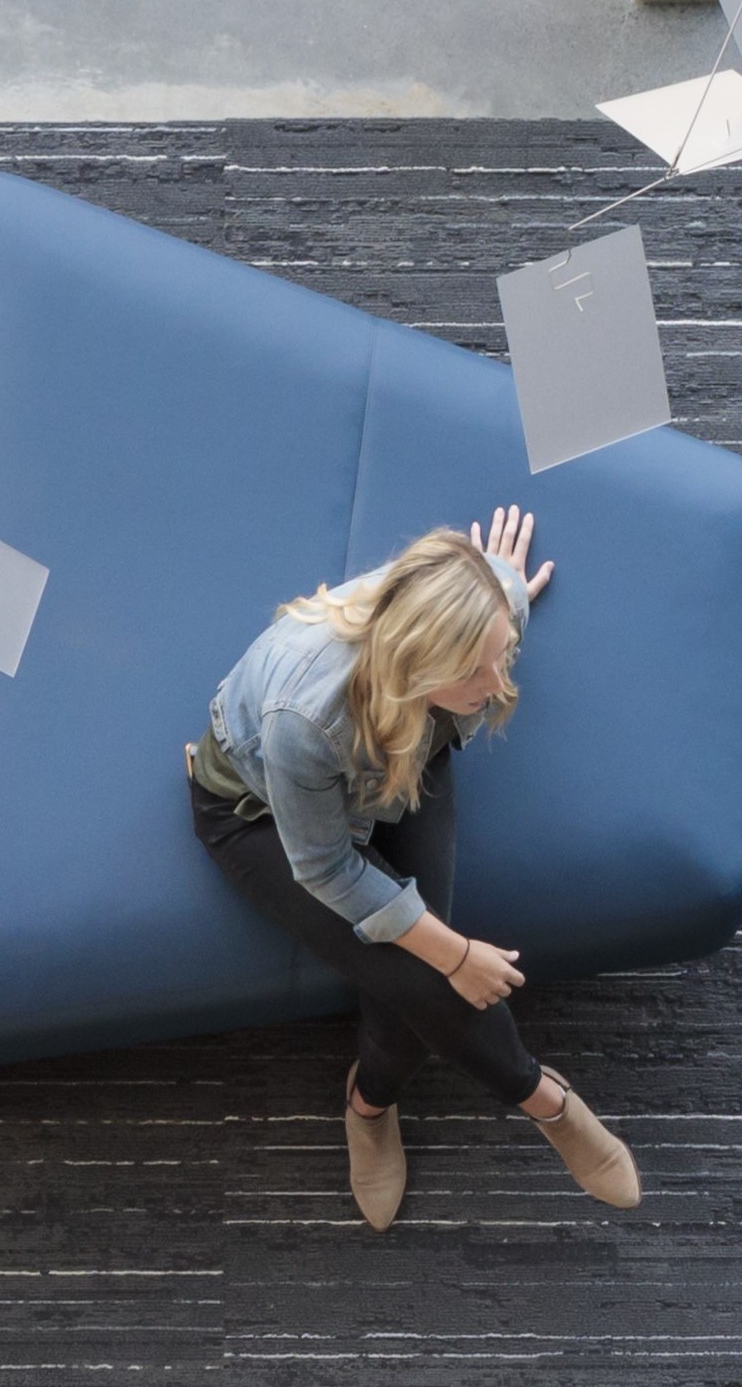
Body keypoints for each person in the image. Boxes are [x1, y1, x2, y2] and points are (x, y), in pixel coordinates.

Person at [189, 504, 643, 1228]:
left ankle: (367, 1101)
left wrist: (501, 594)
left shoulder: (488, 616)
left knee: (412, 987)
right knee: (427, 977)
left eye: (501, 655)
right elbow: (328, 868)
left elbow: (492, 600)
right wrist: (454, 950)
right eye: (477, 669)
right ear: (419, 666)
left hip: (399, 761)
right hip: (263, 818)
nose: (498, 684)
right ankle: (547, 1103)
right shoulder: (304, 719)